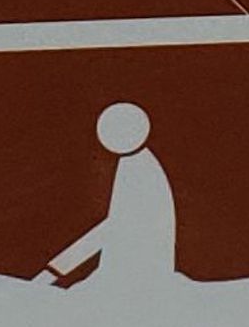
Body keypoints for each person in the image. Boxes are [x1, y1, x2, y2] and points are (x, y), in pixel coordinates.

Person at [44, 100, 181, 306]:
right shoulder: (137, 169)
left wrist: (57, 268)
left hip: (136, 277)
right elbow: (113, 227)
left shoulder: (143, 173)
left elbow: (116, 227)